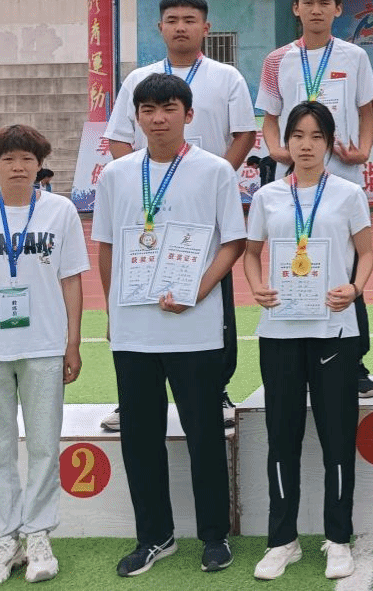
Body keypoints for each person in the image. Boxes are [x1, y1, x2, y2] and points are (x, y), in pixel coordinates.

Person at [93, 73, 247, 577]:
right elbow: (107, 248)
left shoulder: (215, 171)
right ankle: (154, 536)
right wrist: (113, 311)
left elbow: (233, 242)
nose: (158, 118)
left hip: (195, 329)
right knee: (140, 438)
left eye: (169, 108)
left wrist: (197, 292)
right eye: (148, 110)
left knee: (204, 434)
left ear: (188, 114)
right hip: (134, 331)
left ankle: (214, 535)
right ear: (136, 117)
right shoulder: (116, 175)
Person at [101, 0, 255, 432]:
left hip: (201, 208)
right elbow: (118, 138)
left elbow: (244, 134)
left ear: (206, 27)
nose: (181, 27)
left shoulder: (226, 77)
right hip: (147, 208)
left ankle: (216, 388)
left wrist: (206, 180)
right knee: (137, 295)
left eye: (190, 19)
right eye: (172, 20)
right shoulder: (139, 79)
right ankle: (130, 400)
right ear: (160, 27)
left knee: (214, 300)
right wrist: (141, 184)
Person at [0, 124, 87, 589]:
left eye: (27, 159)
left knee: (45, 444)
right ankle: (5, 539)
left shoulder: (61, 211)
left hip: (44, 345)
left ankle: (39, 535)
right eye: (8, 159)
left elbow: (71, 280)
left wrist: (72, 343)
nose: (19, 167)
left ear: (40, 165)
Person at [244, 101, 373, 581]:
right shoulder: (267, 197)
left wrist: (355, 288)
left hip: (333, 331)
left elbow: (367, 253)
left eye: (316, 136)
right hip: (279, 331)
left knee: (338, 437)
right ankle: (283, 540)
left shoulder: (348, 194)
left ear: (329, 143)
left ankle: (338, 538)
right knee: (282, 438)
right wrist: (256, 286)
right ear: (286, 143)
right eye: (297, 135)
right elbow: (251, 254)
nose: (305, 145)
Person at [254, 0, 373, 397]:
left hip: (342, 175)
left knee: (348, 268)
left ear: (338, 9)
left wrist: (363, 149)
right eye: (307, 2)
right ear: (295, 8)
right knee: (298, 259)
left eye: (325, 2)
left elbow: (367, 111)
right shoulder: (277, 60)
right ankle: (297, 355)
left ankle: (355, 361)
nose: (316, 10)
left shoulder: (354, 56)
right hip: (297, 178)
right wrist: (277, 149)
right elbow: (270, 118)